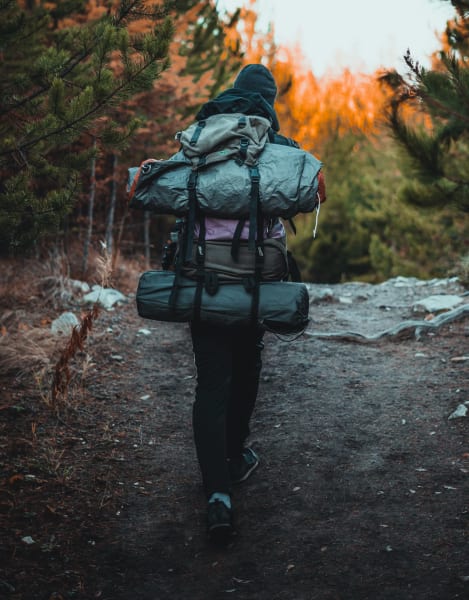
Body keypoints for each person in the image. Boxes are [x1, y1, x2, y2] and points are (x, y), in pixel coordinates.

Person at [188, 64, 326, 543]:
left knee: (211, 382)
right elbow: (312, 194)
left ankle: (217, 494)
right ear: (270, 101)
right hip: (253, 281)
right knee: (246, 367)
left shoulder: (201, 134)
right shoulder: (278, 149)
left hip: (201, 275)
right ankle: (234, 456)